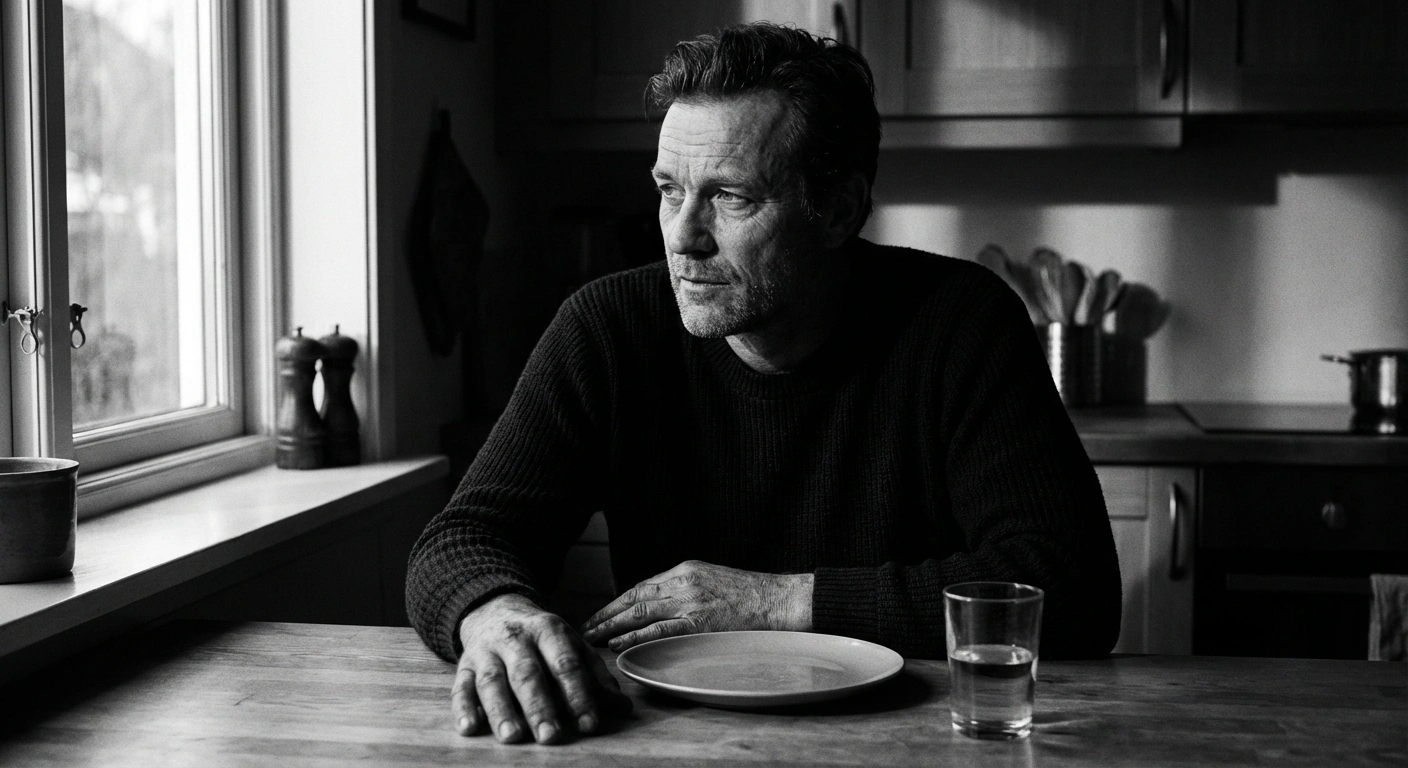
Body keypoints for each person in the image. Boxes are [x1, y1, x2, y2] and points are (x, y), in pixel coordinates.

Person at [406, 22, 1121, 746]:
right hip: (668, 739)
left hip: (913, 736)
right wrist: (493, 612)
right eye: (668, 189)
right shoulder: (607, 328)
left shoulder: (961, 325)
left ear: (838, 210)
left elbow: (1072, 588)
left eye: (731, 198)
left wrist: (774, 601)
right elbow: (463, 538)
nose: (683, 236)